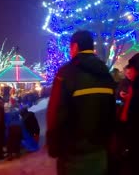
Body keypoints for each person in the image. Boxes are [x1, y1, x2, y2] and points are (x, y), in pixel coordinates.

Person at [47, 30, 116, 175]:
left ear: (75, 47)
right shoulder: (105, 73)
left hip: (73, 153)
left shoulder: (65, 73)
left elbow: (55, 112)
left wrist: (53, 144)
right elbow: (112, 110)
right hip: (100, 149)